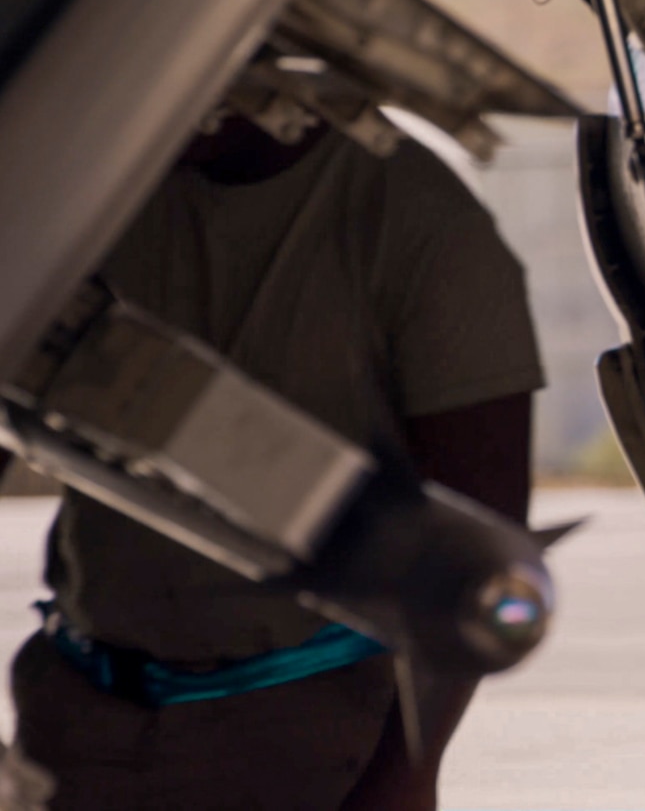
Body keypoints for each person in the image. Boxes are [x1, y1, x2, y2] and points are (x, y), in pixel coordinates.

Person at [3, 108, 544, 811]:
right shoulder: (104, 182)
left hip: (301, 740)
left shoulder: (415, 215)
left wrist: (402, 773)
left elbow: (482, 545)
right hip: (77, 717)